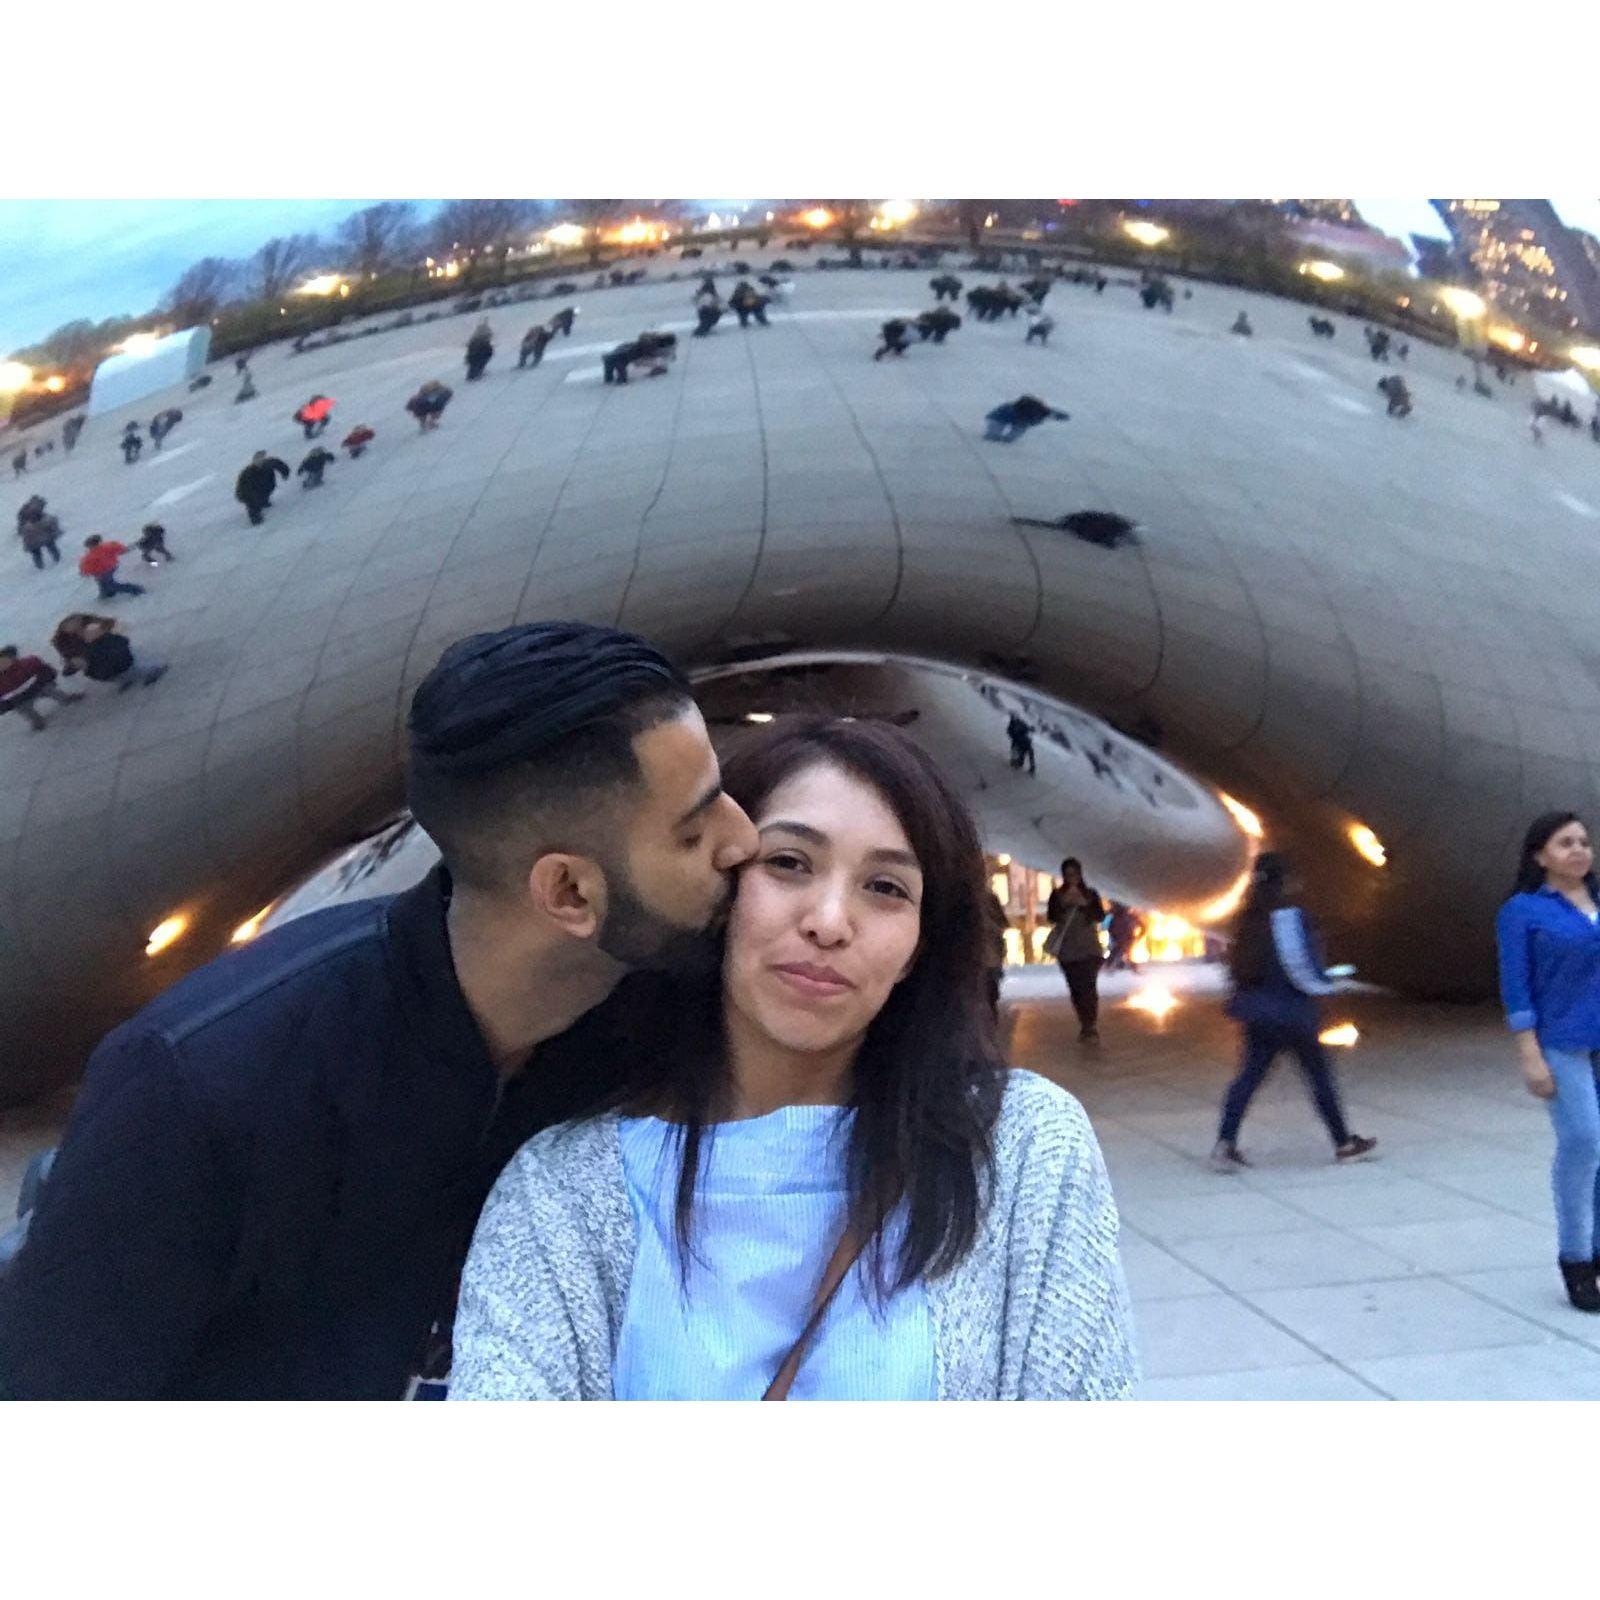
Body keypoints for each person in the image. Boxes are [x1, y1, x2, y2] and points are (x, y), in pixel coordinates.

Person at [0, 621, 761, 1400]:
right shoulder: (201, 1090)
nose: (744, 839)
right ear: (569, 892)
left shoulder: (658, 1007)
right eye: (695, 830)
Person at [451, 716, 1137, 1401]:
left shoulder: (1018, 1151)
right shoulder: (562, 1193)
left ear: (919, 948)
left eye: (886, 889)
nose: (829, 922)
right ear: (718, 894)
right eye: (787, 864)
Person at [1211, 853, 1377, 1173]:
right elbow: (1298, 965)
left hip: (1257, 1012)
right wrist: (1326, 987)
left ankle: (1225, 1143)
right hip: (1290, 1012)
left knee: (1248, 1078)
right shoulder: (1287, 917)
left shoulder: (1249, 918)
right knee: (1319, 1077)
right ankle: (1343, 1143)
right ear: (1284, 880)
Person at [1496, 812, 1600, 1312]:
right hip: (1564, 1045)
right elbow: (1517, 989)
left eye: (1584, 842)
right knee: (1582, 1142)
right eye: (1565, 843)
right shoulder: (1523, 911)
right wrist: (1530, 1055)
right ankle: (1575, 1259)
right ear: (1540, 855)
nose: (1579, 850)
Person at [1046, 859, 1106, 1044]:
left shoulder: (1090, 894)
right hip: (1068, 950)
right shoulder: (1057, 895)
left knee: (1089, 986)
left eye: (1075, 874)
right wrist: (1064, 904)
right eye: (1068, 874)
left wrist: (1083, 904)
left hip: (1089, 948)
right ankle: (1084, 1022)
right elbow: (1052, 917)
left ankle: (1090, 1025)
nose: (1072, 878)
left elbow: (1099, 916)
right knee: (1075, 988)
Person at [50, 613, 167, 693]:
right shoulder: (63, 641)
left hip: (110, 652)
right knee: (110, 674)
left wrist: (100, 634)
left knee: (130, 666)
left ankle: (153, 670)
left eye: (77, 626)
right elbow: (69, 656)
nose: (77, 630)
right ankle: (127, 679)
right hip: (95, 662)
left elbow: (117, 634)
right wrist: (75, 663)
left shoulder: (94, 629)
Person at [0, 646, 84, 733]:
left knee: (50, 690)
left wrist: (46, 680)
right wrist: (5, 706)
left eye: (4, 660)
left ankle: (66, 698)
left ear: (13, 658)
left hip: (38, 688)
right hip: (21, 700)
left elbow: (47, 670)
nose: (2, 664)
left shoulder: (28, 662)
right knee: (24, 710)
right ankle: (37, 721)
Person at [78, 536, 146, 600]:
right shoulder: (108, 546)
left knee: (110, 584)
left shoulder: (90, 555)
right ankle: (107, 594)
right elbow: (121, 549)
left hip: (102, 572)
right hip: (111, 567)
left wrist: (84, 572)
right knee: (103, 583)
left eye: (89, 545)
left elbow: (86, 566)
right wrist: (129, 548)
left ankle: (136, 589)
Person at [234, 450, 290, 525]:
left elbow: (279, 464)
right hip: (247, 494)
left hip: (265, 488)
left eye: (261, 460)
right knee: (253, 501)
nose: (260, 463)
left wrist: (285, 472)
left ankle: (263, 502)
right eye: (257, 461)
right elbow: (244, 491)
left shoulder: (268, 464)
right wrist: (254, 509)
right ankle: (255, 518)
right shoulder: (247, 474)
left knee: (263, 493)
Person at [984, 394, 1068, 443]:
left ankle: (1007, 440)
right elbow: (996, 418)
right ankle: (991, 437)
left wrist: (1060, 415)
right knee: (993, 434)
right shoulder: (1007, 411)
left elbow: (1052, 412)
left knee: (1014, 434)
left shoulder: (1043, 412)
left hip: (1022, 419)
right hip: (1002, 417)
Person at [18, 504, 62, 569]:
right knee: (51, 546)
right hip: (45, 537)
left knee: (37, 553)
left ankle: (40, 566)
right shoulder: (44, 519)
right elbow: (52, 522)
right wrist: (56, 532)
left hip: (35, 541)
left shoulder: (26, 526)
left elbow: (25, 537)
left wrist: (27, 546)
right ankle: (57, 559)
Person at [1106, 903, 1145, 971]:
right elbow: (1110, 929)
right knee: (1121, 951)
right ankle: (1132, 967)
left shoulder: (1130, 917)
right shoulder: (1120, 917)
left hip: (1126, 938)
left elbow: (1143, 927)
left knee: (1122, 951)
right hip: (1122, 938)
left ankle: (1112, 965)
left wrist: (1139, 936)